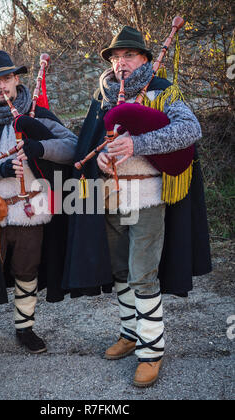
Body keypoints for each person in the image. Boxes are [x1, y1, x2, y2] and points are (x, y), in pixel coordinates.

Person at [63, 27, 212, 387]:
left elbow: (190, 131)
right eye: (115, 57)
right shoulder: (103, 97)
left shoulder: (163, 92)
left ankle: (151, 351)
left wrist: (137, 144)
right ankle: (130, 334)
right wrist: (99, 159)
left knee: (143, 273)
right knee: (120, 270)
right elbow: (93, 143)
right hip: (112, 197)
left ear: (144, 58)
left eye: (128, 55)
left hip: (146, 197)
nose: (120, 63)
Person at [0, 50, 78, 366]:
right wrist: (1, 170)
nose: (1, 85)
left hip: (30, 211)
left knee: (27, 269)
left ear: (17, 78)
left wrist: (39, 147)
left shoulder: (38, 115)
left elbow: (72, 148)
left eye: (6, 78)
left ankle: (25, 328)